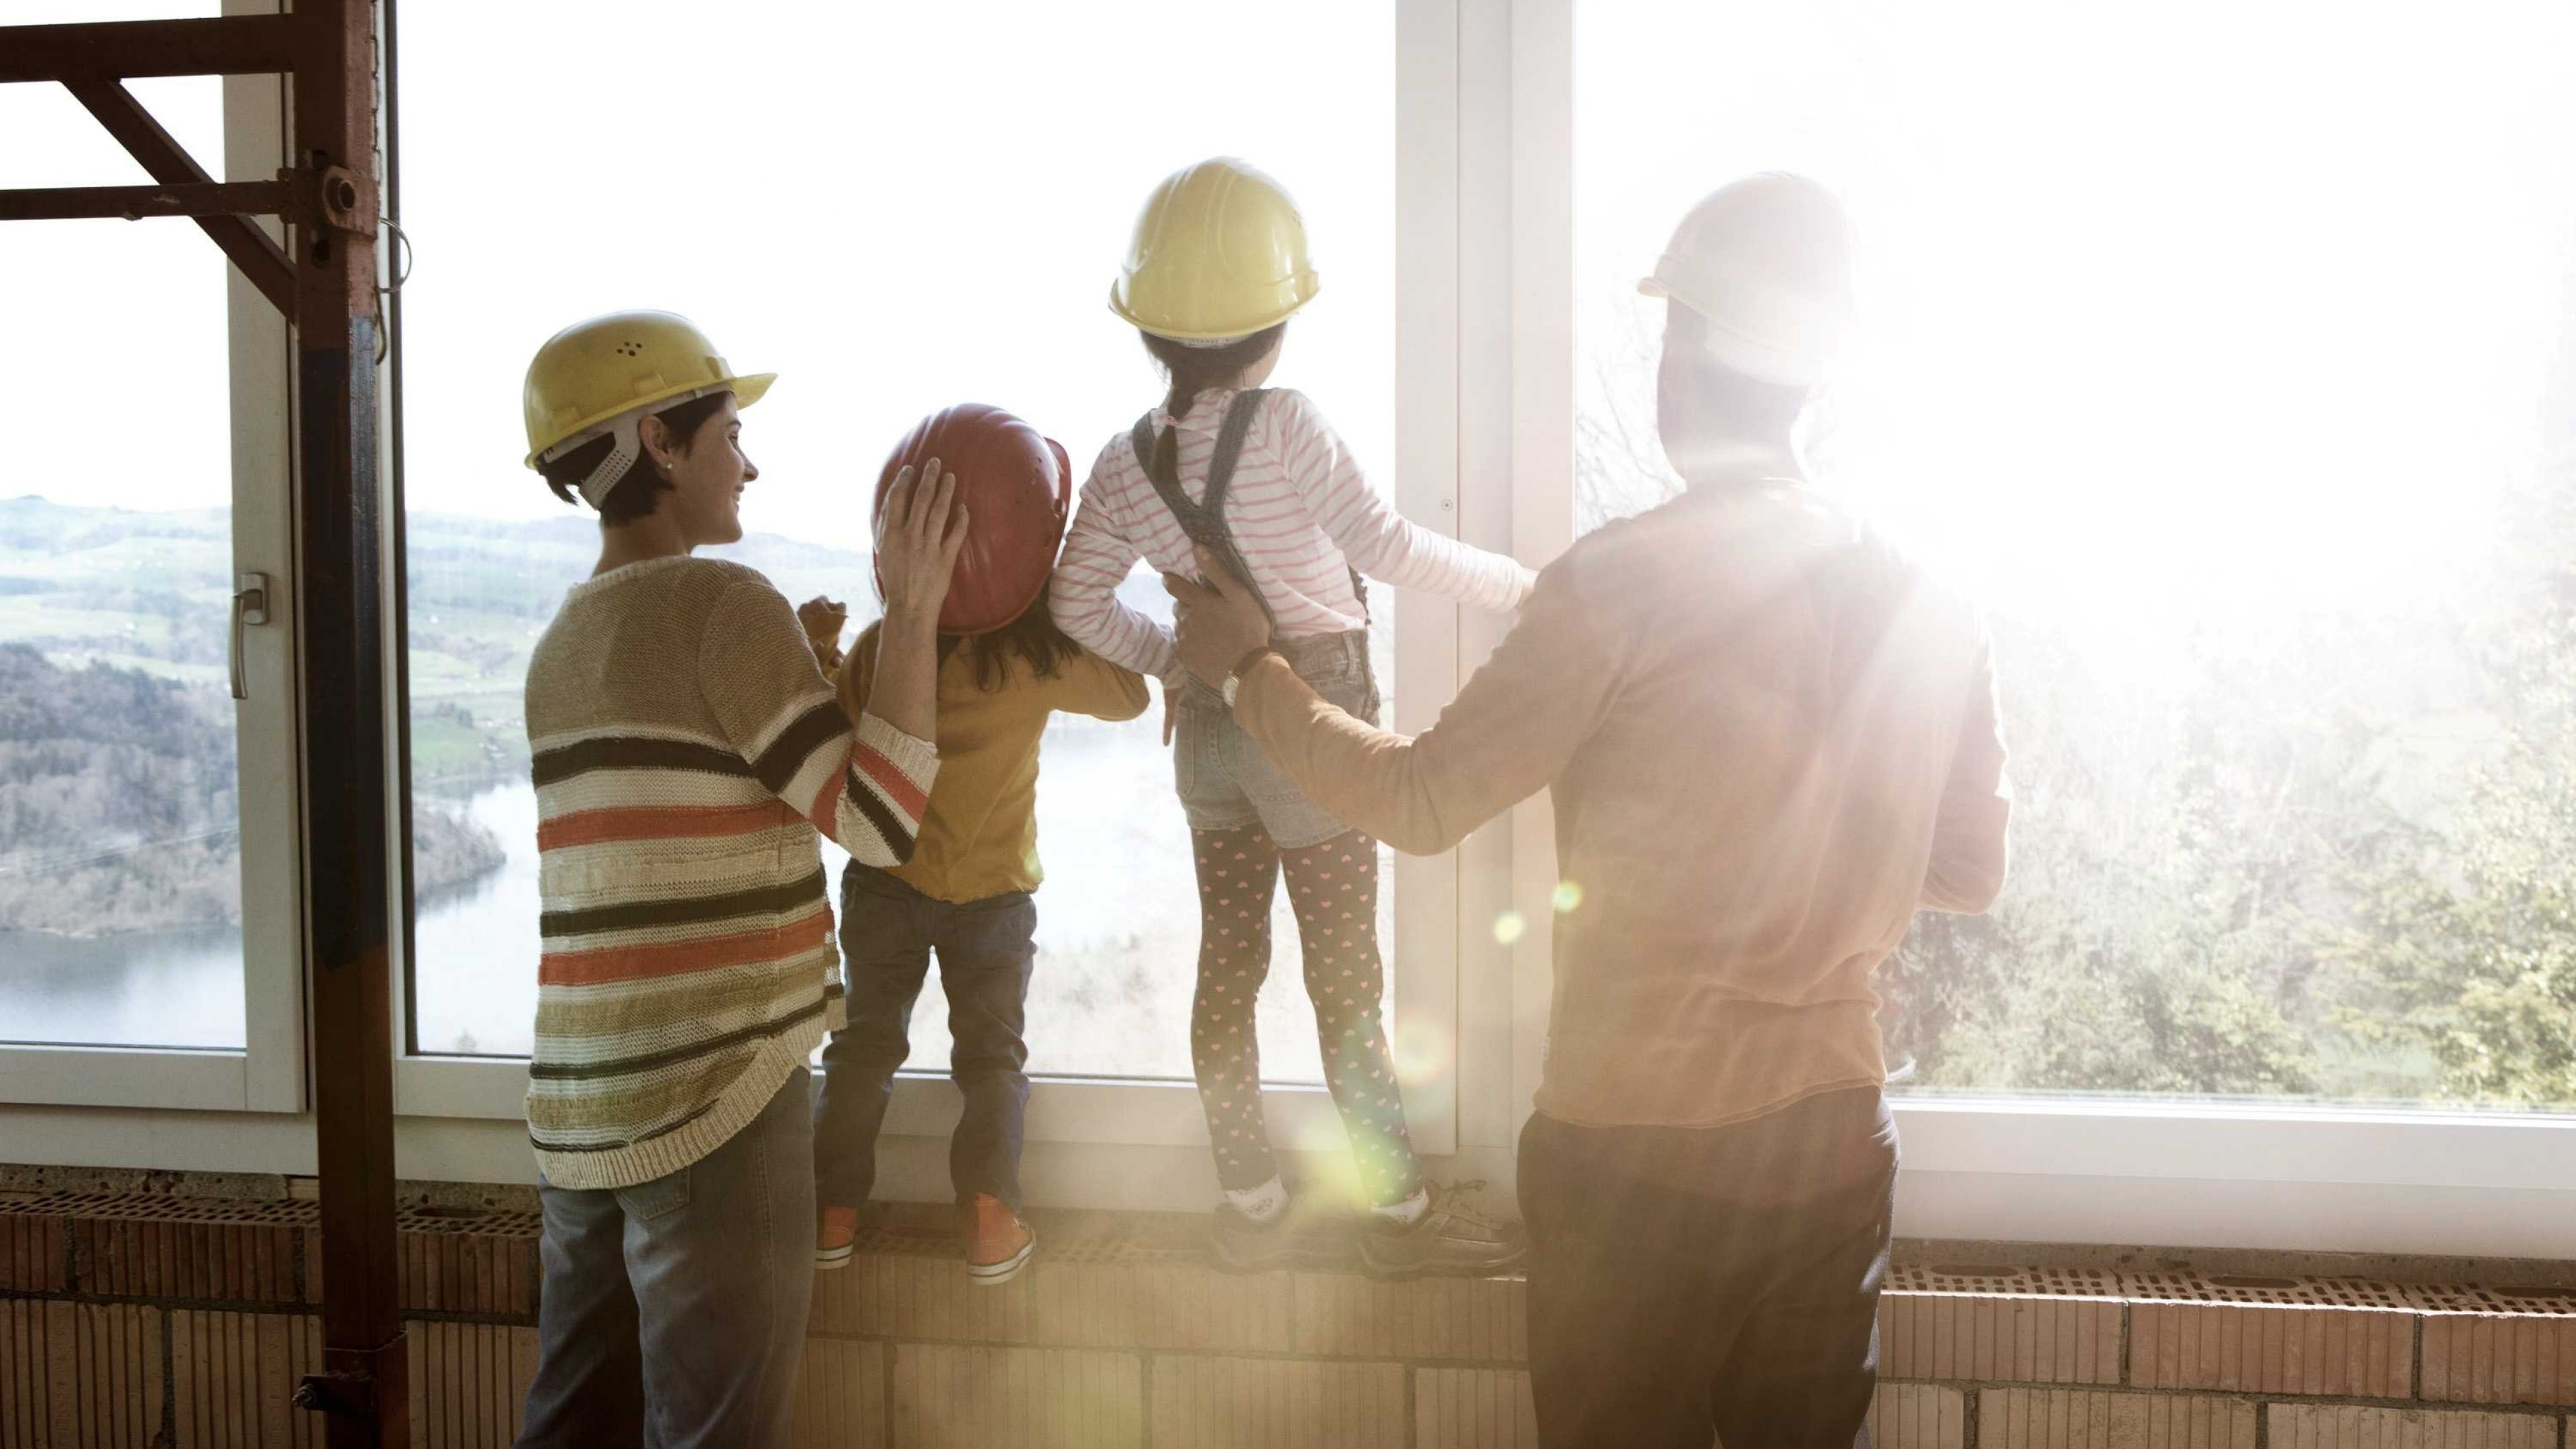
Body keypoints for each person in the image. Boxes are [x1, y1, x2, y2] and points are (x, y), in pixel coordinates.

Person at [1165, 174, 2012, 1447]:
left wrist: (1249, 669)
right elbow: (1968, 868)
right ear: (1816, 379)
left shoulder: (1619, 586)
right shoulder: (1933, 603)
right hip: (1835, 1144)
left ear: (1681, 354)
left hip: (1636, 1162)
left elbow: (1422, 798)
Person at [1051, 157, 1538, 1276]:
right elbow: (1387, 550)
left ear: (1149, 329)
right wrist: (1519, 586)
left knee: (1229, 966)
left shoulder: (1125, 464)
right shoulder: (1286, 425)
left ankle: (1252, 1203)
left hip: (1215, 732)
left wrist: (1185, 664)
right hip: (1309, 718)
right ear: (1277, 322)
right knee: (1345, 983)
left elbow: (1076, 605)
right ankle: (1399, 1220)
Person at [511, 310, 967, 1448]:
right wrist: (913, 616)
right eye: (730, 431)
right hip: (715, 1104)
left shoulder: (558, 646)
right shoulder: (725, 606)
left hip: (581, 1117)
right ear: (660, 444)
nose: (749, 462)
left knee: (573, 1429)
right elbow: (879, 823)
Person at [804, 404, 1150, 1286]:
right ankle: (991, 1222)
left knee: (861, 1050)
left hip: (887, 884)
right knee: (992, 1062)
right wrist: (1058, 591)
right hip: (994, 896)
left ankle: (829, 1217)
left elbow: (831, 734)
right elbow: (1130, 696)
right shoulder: (1035, 656)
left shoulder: (888, 645)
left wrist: (822, 650)